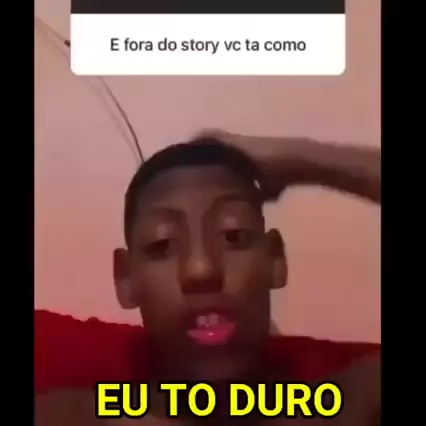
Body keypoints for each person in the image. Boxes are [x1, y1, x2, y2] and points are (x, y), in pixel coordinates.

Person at [35, 130, 381, 425]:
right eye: (162, 245)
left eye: (233, 236)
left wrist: (298, 159)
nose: (201, 269)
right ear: (126, 279)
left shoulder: (345, 407)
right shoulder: (74, 417)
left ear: (275, 259)